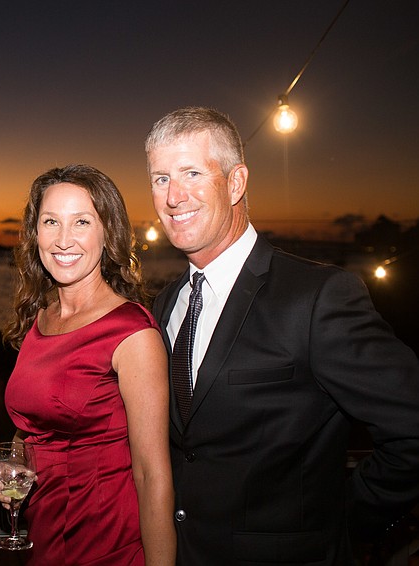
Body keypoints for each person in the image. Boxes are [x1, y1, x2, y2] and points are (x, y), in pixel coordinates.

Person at [145, 106, 419, 565]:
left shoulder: (318, 297)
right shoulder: (165, 304)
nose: (174, 196)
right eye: (160, 178)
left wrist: (346, 522)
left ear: (235, 182)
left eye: (191, 172)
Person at [0, 164, 176, 565]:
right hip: (40, 534)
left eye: (81, 222)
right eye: (50, 221)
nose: (63, 239)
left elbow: (152, 475)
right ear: (34, 233)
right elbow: (34, 430)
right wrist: (13, 468)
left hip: (105, 541)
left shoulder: (132, 332)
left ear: (107, 233)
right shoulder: (40, 317)